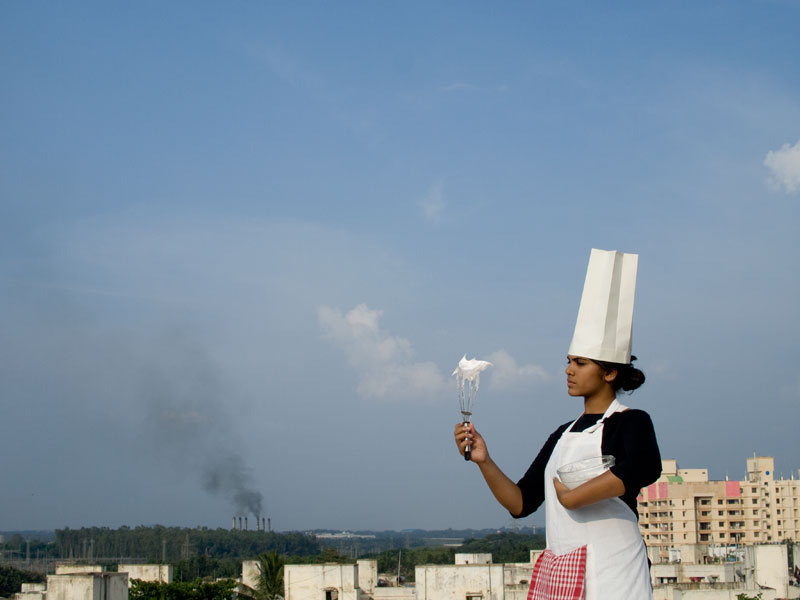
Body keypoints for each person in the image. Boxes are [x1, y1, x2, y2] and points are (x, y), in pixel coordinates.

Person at [453, 249, 661, 600]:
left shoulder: (630, 422)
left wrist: (574, 497)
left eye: (580, 363)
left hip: (615, 574)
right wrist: (484, 461)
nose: (568, 370)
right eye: (569, 362)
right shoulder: (561, 435)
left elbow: (644, 466)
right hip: (565, 570)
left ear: (609, 372)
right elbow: (520, 503)